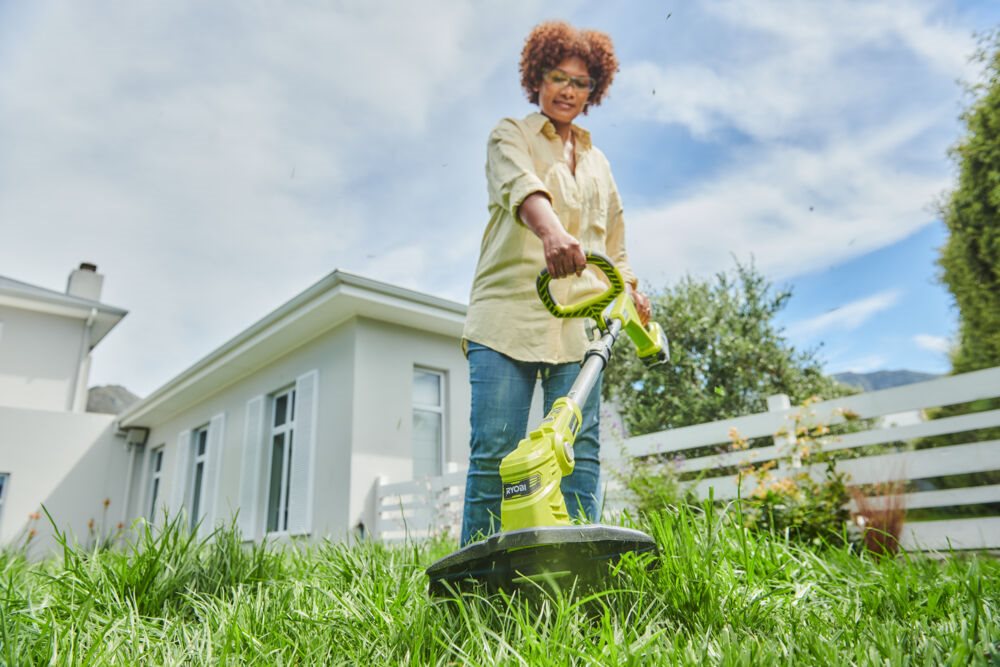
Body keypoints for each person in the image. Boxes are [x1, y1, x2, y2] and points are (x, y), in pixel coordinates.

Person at [460, 20, 650, 546]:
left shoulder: (599, 163)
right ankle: (474, 588)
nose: (568, 90)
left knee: (578, 457)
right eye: (557, 76)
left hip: (579, 330)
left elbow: (614, 242)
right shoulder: (510, 134)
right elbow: (521, 187)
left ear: (594, 91)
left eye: (580, 82)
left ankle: (579, 579)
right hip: (509, 316)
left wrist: (630, 288)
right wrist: (551, 233)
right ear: (536, 79)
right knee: (496, 454)